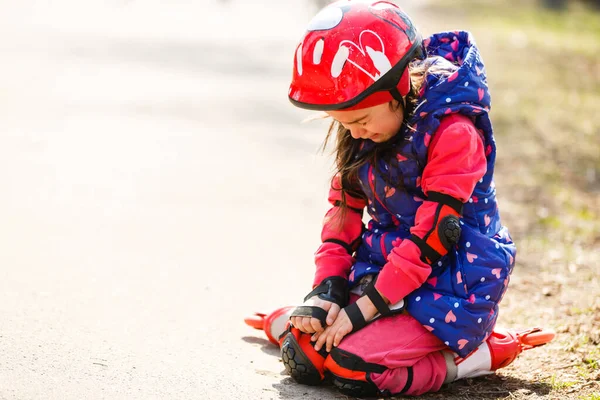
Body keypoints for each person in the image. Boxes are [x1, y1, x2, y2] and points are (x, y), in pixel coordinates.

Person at [245, 1, 555, 397]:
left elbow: (433, 238)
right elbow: (341, 219)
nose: (355, 134)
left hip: (451, 283)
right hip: (386, 272)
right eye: (344, 124)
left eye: (360, 121)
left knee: (354, 368)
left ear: (400, 85)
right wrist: (326, 292)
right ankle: (301, 322)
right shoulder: (363, 133)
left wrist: (363, 309)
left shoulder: (454, 132)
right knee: (305, 353)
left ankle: (476, 355)